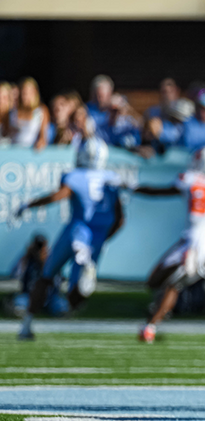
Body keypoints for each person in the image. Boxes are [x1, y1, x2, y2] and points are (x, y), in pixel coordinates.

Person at [14, 138, 125, 340]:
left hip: (76, 230)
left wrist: (29, 204)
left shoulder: (75, 176)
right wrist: (104, 238)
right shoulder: (112, 178)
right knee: (76, 297)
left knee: (46, 277)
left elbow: (58, 196)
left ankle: (27, 325)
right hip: (97, 237)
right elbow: (120, 219)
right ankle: (82, 279)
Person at [133, 145, 205, 343]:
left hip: (193, 241)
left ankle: (151, 326)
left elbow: (160, 192)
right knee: (174, 283)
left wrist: (134, 186)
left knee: (159, 281)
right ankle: (151, 327)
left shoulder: (191, 180)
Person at [10, 77, 50, 150]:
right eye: (24, 92)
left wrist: (41, 143)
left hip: (30, 152)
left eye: (29, 92)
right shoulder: (13, 111)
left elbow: (43, 136)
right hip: (13, 150)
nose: (26, 96)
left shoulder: (41, 110)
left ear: (35, 92)